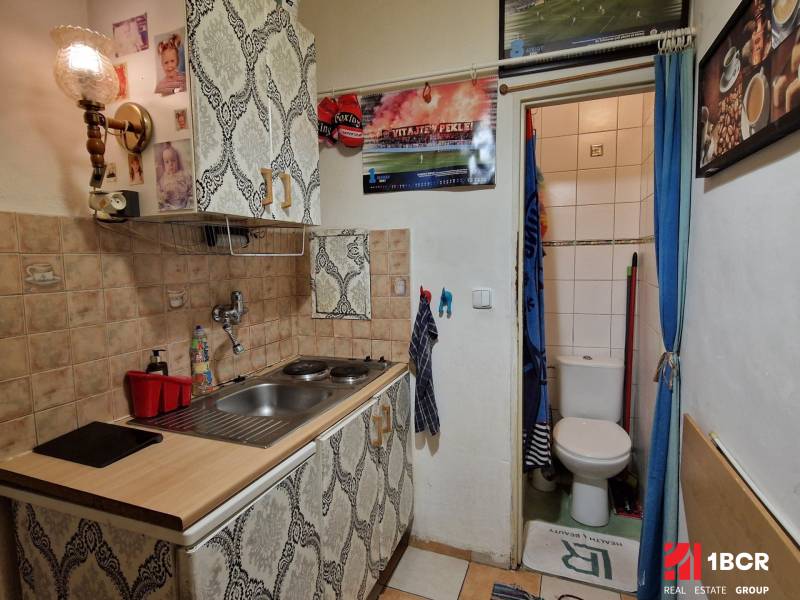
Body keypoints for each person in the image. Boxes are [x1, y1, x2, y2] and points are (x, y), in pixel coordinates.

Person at [157, 142, 192, 210]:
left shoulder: (183, 174)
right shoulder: (163, 178)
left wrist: (189, 197)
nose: (170, 164)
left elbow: (190, 187)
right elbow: (159, 191)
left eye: (173, 160)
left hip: (184, 204)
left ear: (177, 161)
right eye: (167, 162)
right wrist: (163, 196)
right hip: (169, 206)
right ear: (163, 164)